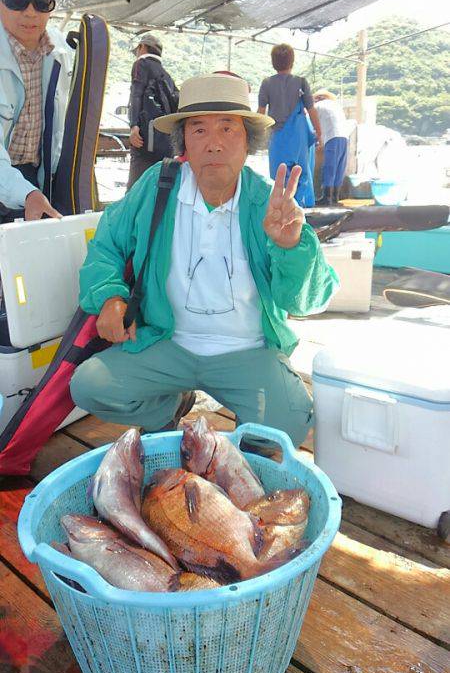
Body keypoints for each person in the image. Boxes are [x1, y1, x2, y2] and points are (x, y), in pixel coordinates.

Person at [70, 73, 339, 445]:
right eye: (199, 131)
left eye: (228, 129)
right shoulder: (157, 184)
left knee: (287, 426)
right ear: (184, 144)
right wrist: (110, 298)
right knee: (89, 386)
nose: (214, 144)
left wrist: (293, 246)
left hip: (245, 349)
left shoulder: (270, 203)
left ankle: (228, 447)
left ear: (249, 142)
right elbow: (106, 245)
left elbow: (307, 301)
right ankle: (169, 409)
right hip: (168, 341)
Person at [0, 0, 73, 222]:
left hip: (38, 183)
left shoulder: (63, 54)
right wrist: (26, 193)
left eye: (42, 3)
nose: (30, 13)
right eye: (16, 1)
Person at [258, 44, 322, 208]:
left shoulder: (266, 83)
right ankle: (301, 212)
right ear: (292, 61)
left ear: (273, 62)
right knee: (301, 174)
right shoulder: (301, 82)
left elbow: (260, 112)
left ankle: (280, 209)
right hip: (298, 137)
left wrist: (256, 136)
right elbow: (311, 109)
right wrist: (319, 132)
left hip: (276, 137)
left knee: (278, 176)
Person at [127, 33, 179, 190]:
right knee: (157, 187)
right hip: (165, 143)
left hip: (144, 139)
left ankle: (131, 213)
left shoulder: (141, 64)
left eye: (137, 49)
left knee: (135, 187)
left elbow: (136, 94)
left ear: (143, 47)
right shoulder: (167, 76)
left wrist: (134, 125)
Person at [313, 89, 349, 205]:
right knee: (339, 168)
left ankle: (326, 198)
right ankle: (335, 198)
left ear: (318, 98)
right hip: (344, 137)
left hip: (331, 137)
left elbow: (311, 124)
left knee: (329, 167)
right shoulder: (336, 106)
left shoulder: (317, 106)